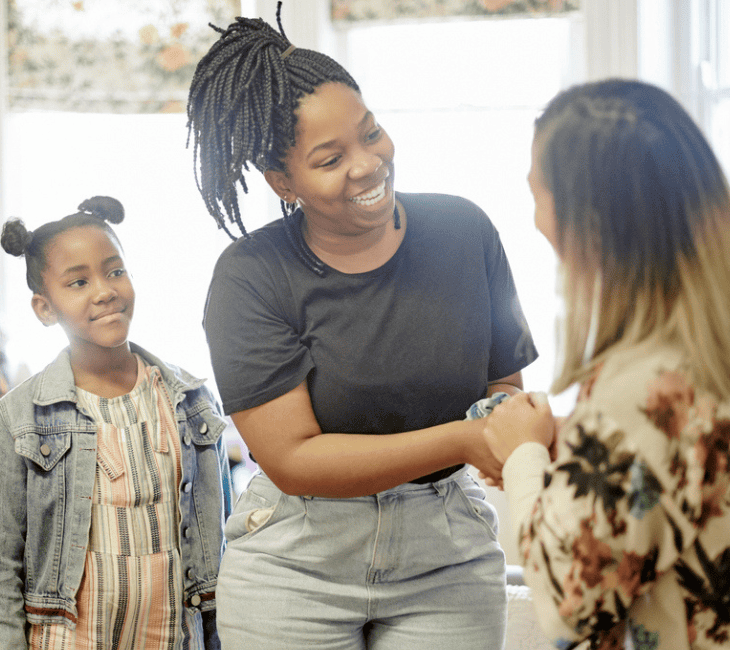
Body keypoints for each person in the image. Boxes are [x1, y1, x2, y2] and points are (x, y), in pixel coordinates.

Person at [184, 6, 537, 648]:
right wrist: (467, 437)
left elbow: (500, 389)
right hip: (296, 565)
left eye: (371, 133)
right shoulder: (249, 277)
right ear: (282, 182)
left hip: (448, 554)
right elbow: (295, 460)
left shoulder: (465, 232)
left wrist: (512, 425)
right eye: (329, 158)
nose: (368, 164)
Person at [484, 78, 730, 650]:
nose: (536, 218)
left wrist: (524, 456)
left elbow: (567, 604)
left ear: (589, 224)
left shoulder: (641, 382)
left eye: (537, 193)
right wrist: (576, 446)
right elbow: (713, 447)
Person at [0, 196, 231, 649]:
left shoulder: (190, 401)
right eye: (78, 281)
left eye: (115, 271)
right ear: (44, 308)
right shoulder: (19, 418)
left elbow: (219, 544)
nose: (104, 290)